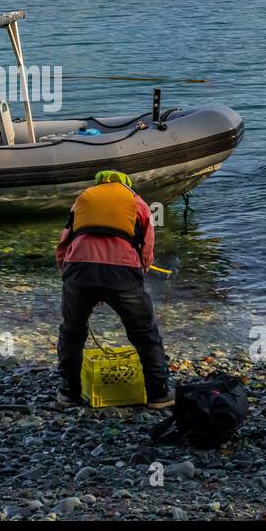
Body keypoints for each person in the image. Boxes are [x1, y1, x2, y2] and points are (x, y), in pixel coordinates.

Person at [55, 170, 173, 408]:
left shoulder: (83, 198)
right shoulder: (136, 201)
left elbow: (64, 241)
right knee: (144, 334)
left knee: (72, 333)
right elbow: (147, 245)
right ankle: (159, 394)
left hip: (79, 270)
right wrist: (139, 272)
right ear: (126, 184)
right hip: (121, 273)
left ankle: (69, 393)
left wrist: (68, 276)